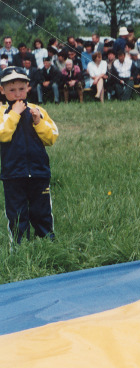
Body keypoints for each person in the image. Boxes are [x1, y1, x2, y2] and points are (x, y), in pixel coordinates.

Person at [0, 67, 59, 243]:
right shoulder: (3, 113)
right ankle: (18, 247)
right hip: (13, 173)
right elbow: (2, 134)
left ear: (28, 87)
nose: (17, 94)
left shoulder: (37, 110)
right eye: (12, 90)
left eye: (21, 89)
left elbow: (52, 137)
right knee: (17, 213)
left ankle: (47, 242)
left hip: (39, 172)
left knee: (41, 211)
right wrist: (14, 114)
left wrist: (38, 122)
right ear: (2, 90)